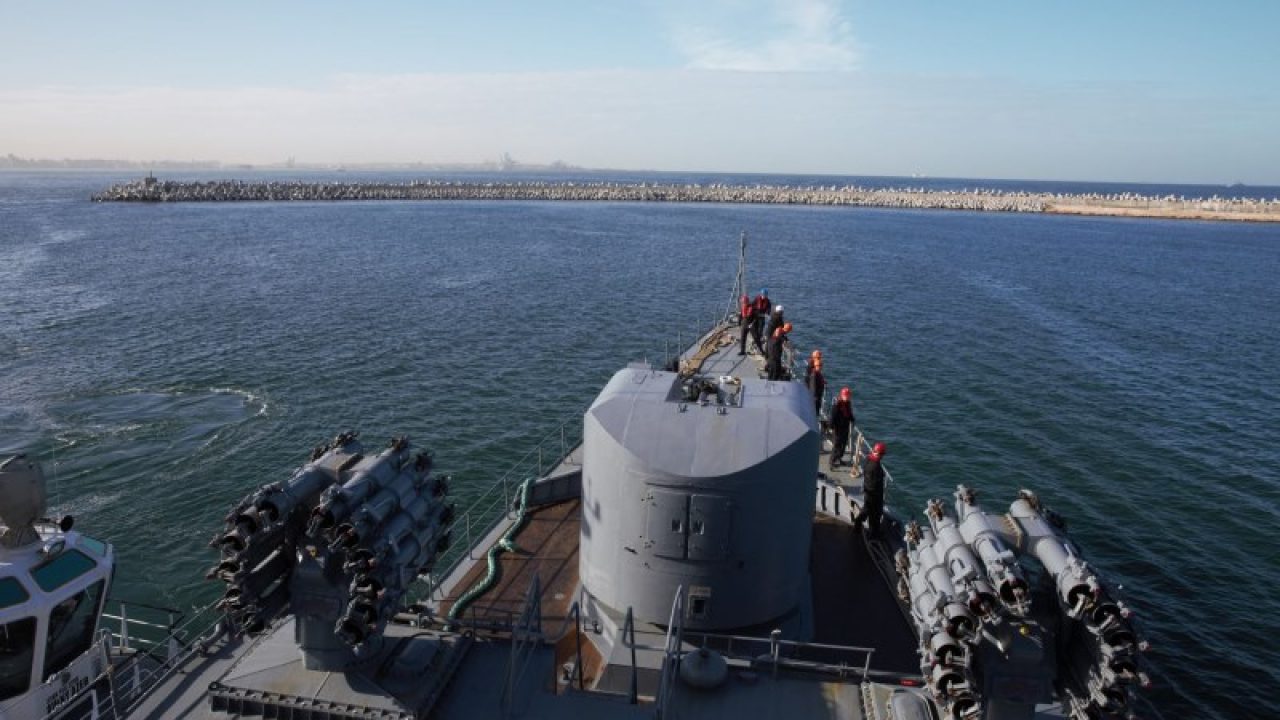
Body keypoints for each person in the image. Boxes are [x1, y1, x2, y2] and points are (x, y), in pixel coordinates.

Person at [862, 441, 887, 536]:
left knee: (869, 511)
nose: (882, 456)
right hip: (874, 495)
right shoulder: (875, 466)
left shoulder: (868, 459)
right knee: (875, 515)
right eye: (882, 454)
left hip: (868, 492)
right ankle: (873, 534)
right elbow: (874, 484)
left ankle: (862, 524)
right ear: (880, 454)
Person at [828, 387, 854, 469]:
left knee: (843, 445)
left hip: (845, 427)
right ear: (842, 395)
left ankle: (839, 458)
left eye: (848, 395)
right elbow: (832, 417)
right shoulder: (837, 405)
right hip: (838, 429)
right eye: (846, 395)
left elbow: (849, 414)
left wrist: (852, 419)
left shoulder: (848, 403)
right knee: (837, 445)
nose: (847, 397)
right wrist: (831, 427)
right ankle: (832, 462)